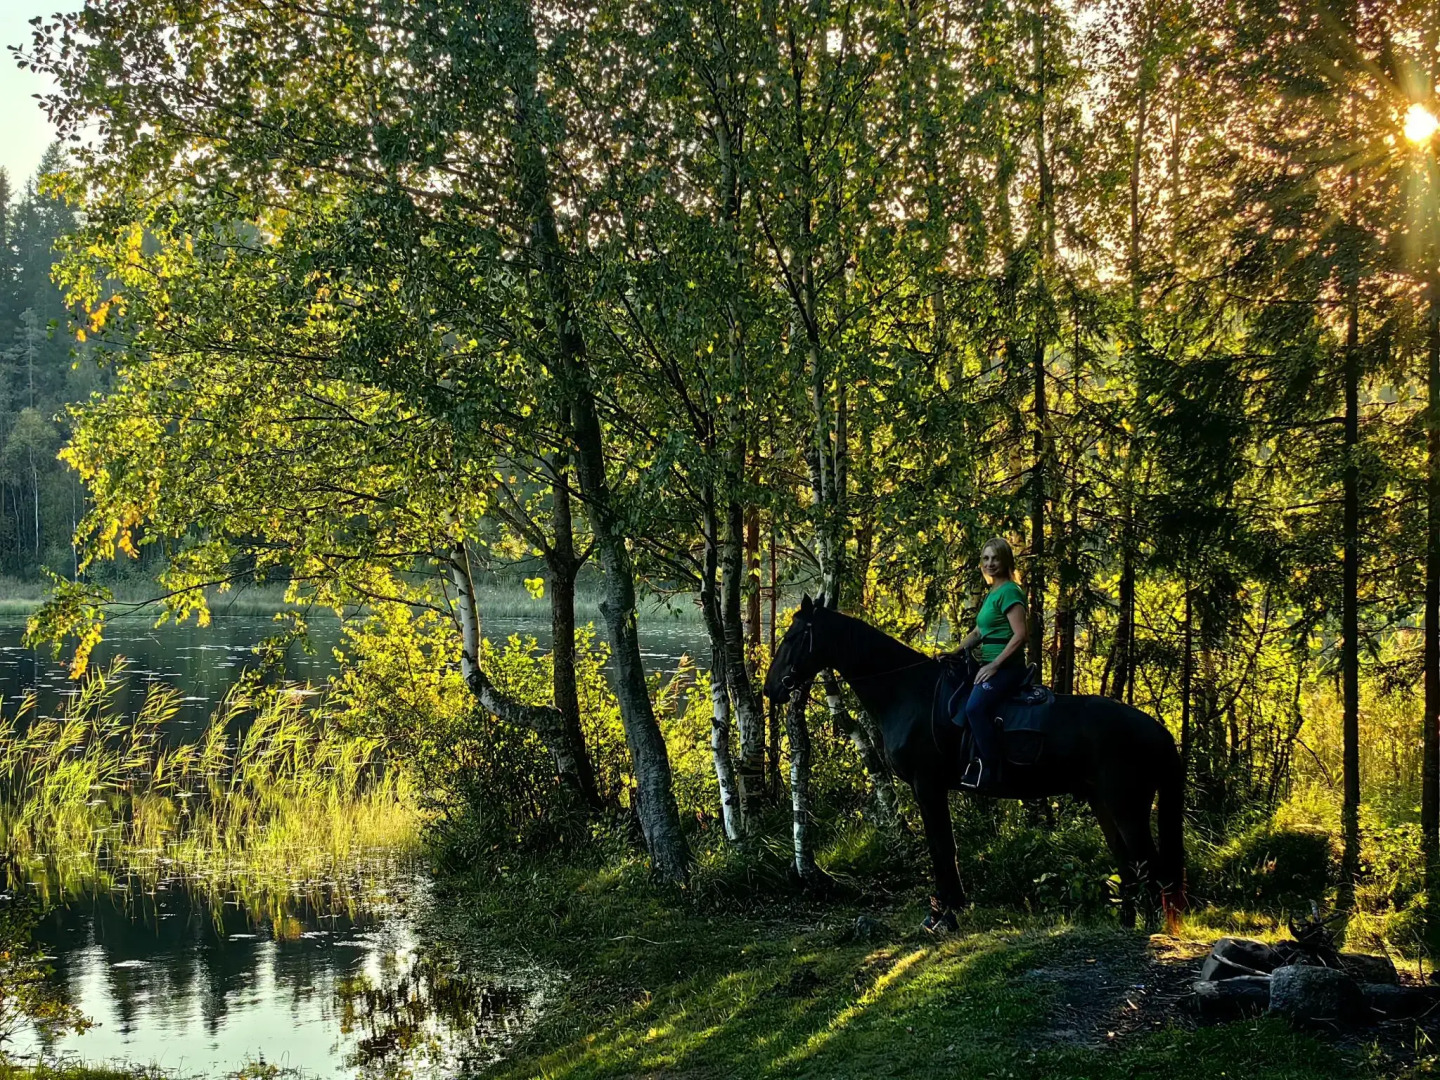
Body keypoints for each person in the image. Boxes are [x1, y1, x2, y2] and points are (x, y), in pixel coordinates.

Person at [950, 537, 1029, 792]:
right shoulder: (993, 593)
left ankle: (992, 769)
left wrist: (995, 665)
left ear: (1006, 559)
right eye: (986, 558)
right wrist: (953, 652)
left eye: (995, 558)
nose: (990, 563)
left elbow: (1020, 635)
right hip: (988, 664)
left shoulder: (1010, 591)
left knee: (974, 708)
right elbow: (978, 632)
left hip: (1007, 668)